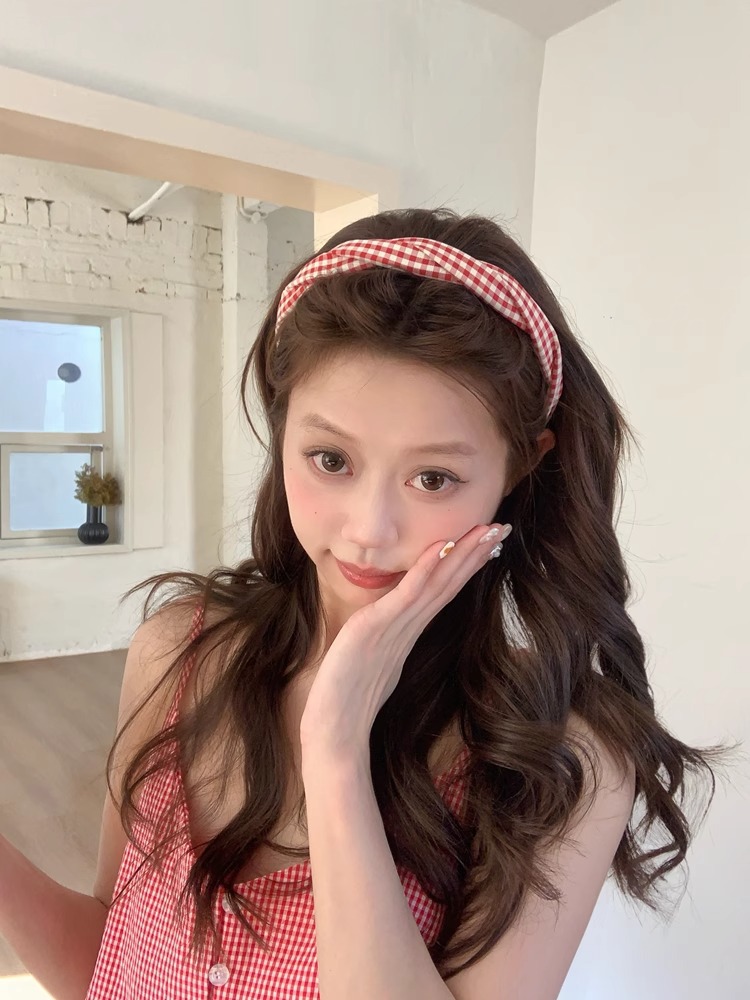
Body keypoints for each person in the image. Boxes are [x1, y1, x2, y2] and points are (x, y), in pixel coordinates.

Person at [0, 207, 725, 1000]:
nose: (370, 531)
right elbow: (109, 963)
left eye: (434, 478)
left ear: (520, 468)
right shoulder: (178, 653)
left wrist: (336, 750)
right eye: (330, 459)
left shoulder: (560, 760)